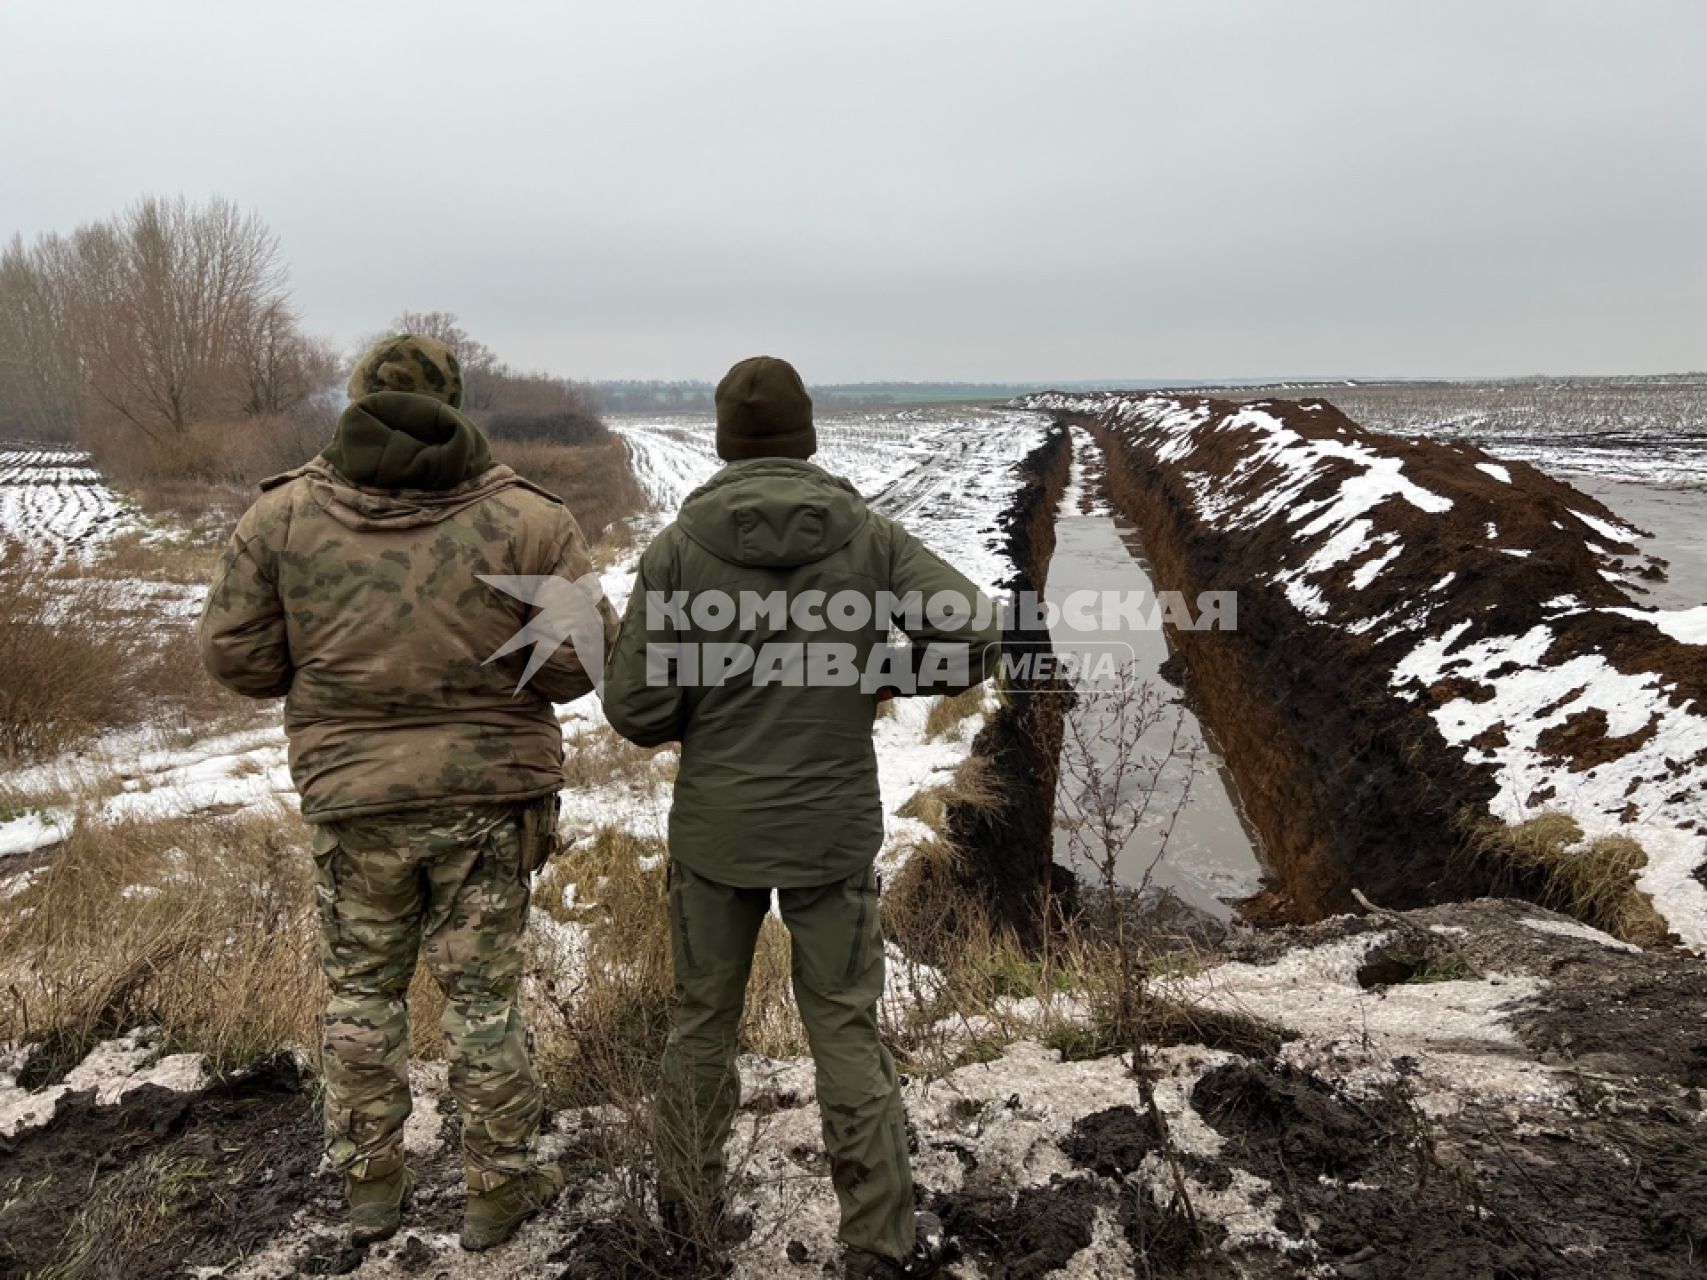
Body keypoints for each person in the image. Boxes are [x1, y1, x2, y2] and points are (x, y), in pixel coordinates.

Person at [198, 333, 617, 1251]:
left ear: (354, 399)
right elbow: (576, 669)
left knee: (360, 995)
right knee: (484, 1003)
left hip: (354, 800)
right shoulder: (527, 519)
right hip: (489, 799)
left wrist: (328, 674)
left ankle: (370, 1189)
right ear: (457, 402)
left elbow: (238, 659)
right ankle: (498, 1191)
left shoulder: (280, 517)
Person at [602, 355, 1001, 1278]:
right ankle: (878, 1243)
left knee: (700, 1027)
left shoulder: (676, 549)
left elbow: (636, 712)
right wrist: (875, 675)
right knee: (846, 1031)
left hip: (716, 832)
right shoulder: (866, 536)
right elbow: (976, 632)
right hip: (830, 830)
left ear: (724, 439)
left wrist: (702, 697)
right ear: (808, 432)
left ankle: (689, 1227)